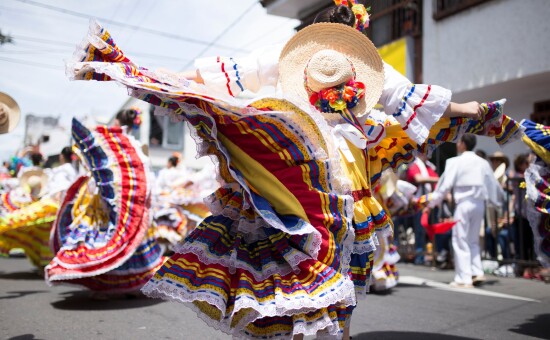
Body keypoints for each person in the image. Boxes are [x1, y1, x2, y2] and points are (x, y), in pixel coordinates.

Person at [66, 4, 523, 338]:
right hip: (316, 184)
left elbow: (198, 81)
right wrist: (489, 116)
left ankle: (304, 329)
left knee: (301, 270)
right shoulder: (363, 73)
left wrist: (133, 70)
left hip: (301, 181)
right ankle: (317, 329)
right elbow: (434, 108)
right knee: (321, 272)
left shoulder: (294, 61)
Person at [46, 111, 165, 297]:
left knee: (106, 238)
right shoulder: (136, 148)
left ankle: (104, 287)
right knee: (130, 240)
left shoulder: (111, 141)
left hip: (103, 200)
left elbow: (95, 164)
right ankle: (132, 287)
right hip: (131, 203)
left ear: (118, 121)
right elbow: (145, 181)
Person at [425, 134, 503, 288]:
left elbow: (445, 185)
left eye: (458, 141)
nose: (456, 144)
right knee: (473, 240)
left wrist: (432, 203)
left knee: (460, 240)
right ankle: (476, 271)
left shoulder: (455, 161)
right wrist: (497, 203)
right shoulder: (482, 162)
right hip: (479, 203)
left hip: (464, 203)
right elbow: (493, 184)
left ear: (462, 144)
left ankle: (464, 278)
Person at [406, 153, 439, 264]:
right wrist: (436, 179)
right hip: (418, 205)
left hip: (430, 204)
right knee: (419, 231)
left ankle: (431, 256)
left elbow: (435, 179)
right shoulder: (415, 165)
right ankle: (419, 256)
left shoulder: (428, 167)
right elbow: (418, 178)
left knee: (430, 231)